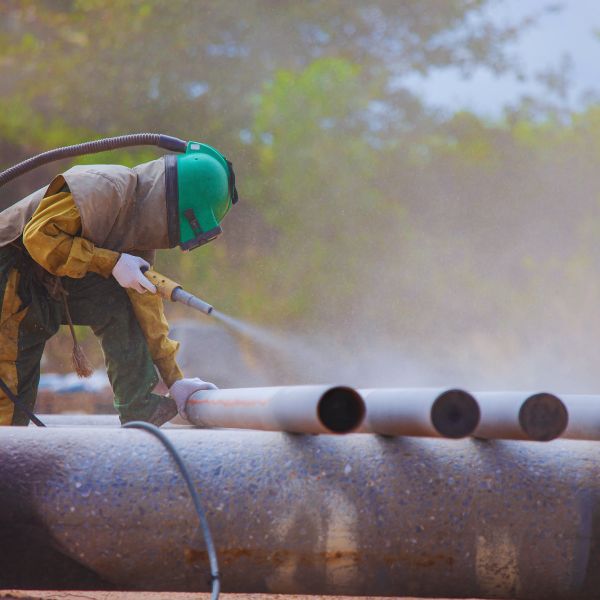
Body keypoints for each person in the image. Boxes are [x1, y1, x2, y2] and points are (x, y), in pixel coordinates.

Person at [0, 141, 238, 426]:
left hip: (41, 282)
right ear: (173, 207)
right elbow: (39, 238)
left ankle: (140, 409)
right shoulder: (106, 188)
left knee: (125, 299)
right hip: (10, 269)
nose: (178, 244)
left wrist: (176, 381)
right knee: (9, 404)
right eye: (179, 231)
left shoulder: (137, 235)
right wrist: (110, 262)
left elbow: (146, 312)